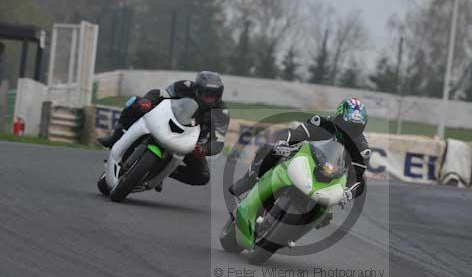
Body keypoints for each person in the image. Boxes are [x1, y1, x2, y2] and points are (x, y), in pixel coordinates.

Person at [229, 98, 371, 207]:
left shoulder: (362, 149)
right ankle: (249, 180)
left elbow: (357, 178)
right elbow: (295, 134)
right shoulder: (321, 123)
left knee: (327, 217)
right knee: (269, 148)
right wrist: (284, 142)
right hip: (303, 159)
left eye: (355, 127)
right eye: (346, 125)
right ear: (338, 118)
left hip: (328, 177)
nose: (349, 130)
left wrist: (349, 193)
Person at [98, 71, 230, 187]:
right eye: (206, 94)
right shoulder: (184, 86)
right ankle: (115, 136)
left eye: (213, 95)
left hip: (190, 143)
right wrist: (147, 101)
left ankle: (163, 172)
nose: (209, 99)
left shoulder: (221, 113)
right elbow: (160, 93)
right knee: (135, 102)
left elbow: (218, 143)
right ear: (197, 89)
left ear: (219, 95)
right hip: (165, 121)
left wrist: (203, 149)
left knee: (203, 176)